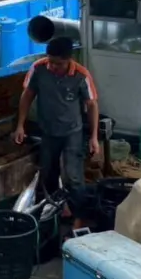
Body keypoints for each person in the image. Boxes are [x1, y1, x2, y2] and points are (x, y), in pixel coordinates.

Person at [15, 37, 100, 222]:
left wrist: (94, 137)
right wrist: (20, 125)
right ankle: (55, 213)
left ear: (69, 59)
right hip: (48, 132)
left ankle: (79, 218)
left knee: (73, 176)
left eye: (58, 63)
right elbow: (27, 95)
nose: (53, 66)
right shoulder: (38, 68)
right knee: (48, 174)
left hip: (72, 132)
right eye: (50, 61)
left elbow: (92, 105)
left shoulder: (81, 75)